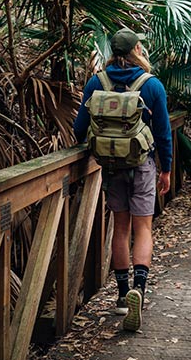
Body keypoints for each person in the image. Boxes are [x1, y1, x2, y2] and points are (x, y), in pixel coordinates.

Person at [73, 27, 172, 331]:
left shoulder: (96, 82)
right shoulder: (151, 84)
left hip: (110, 165)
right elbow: (163, 133)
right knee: (143, 227)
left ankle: (119, 295)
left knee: (120, 226)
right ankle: (139, 290)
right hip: (141, 163)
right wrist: (165, 169)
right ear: (136, 51)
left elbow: (79, 128)